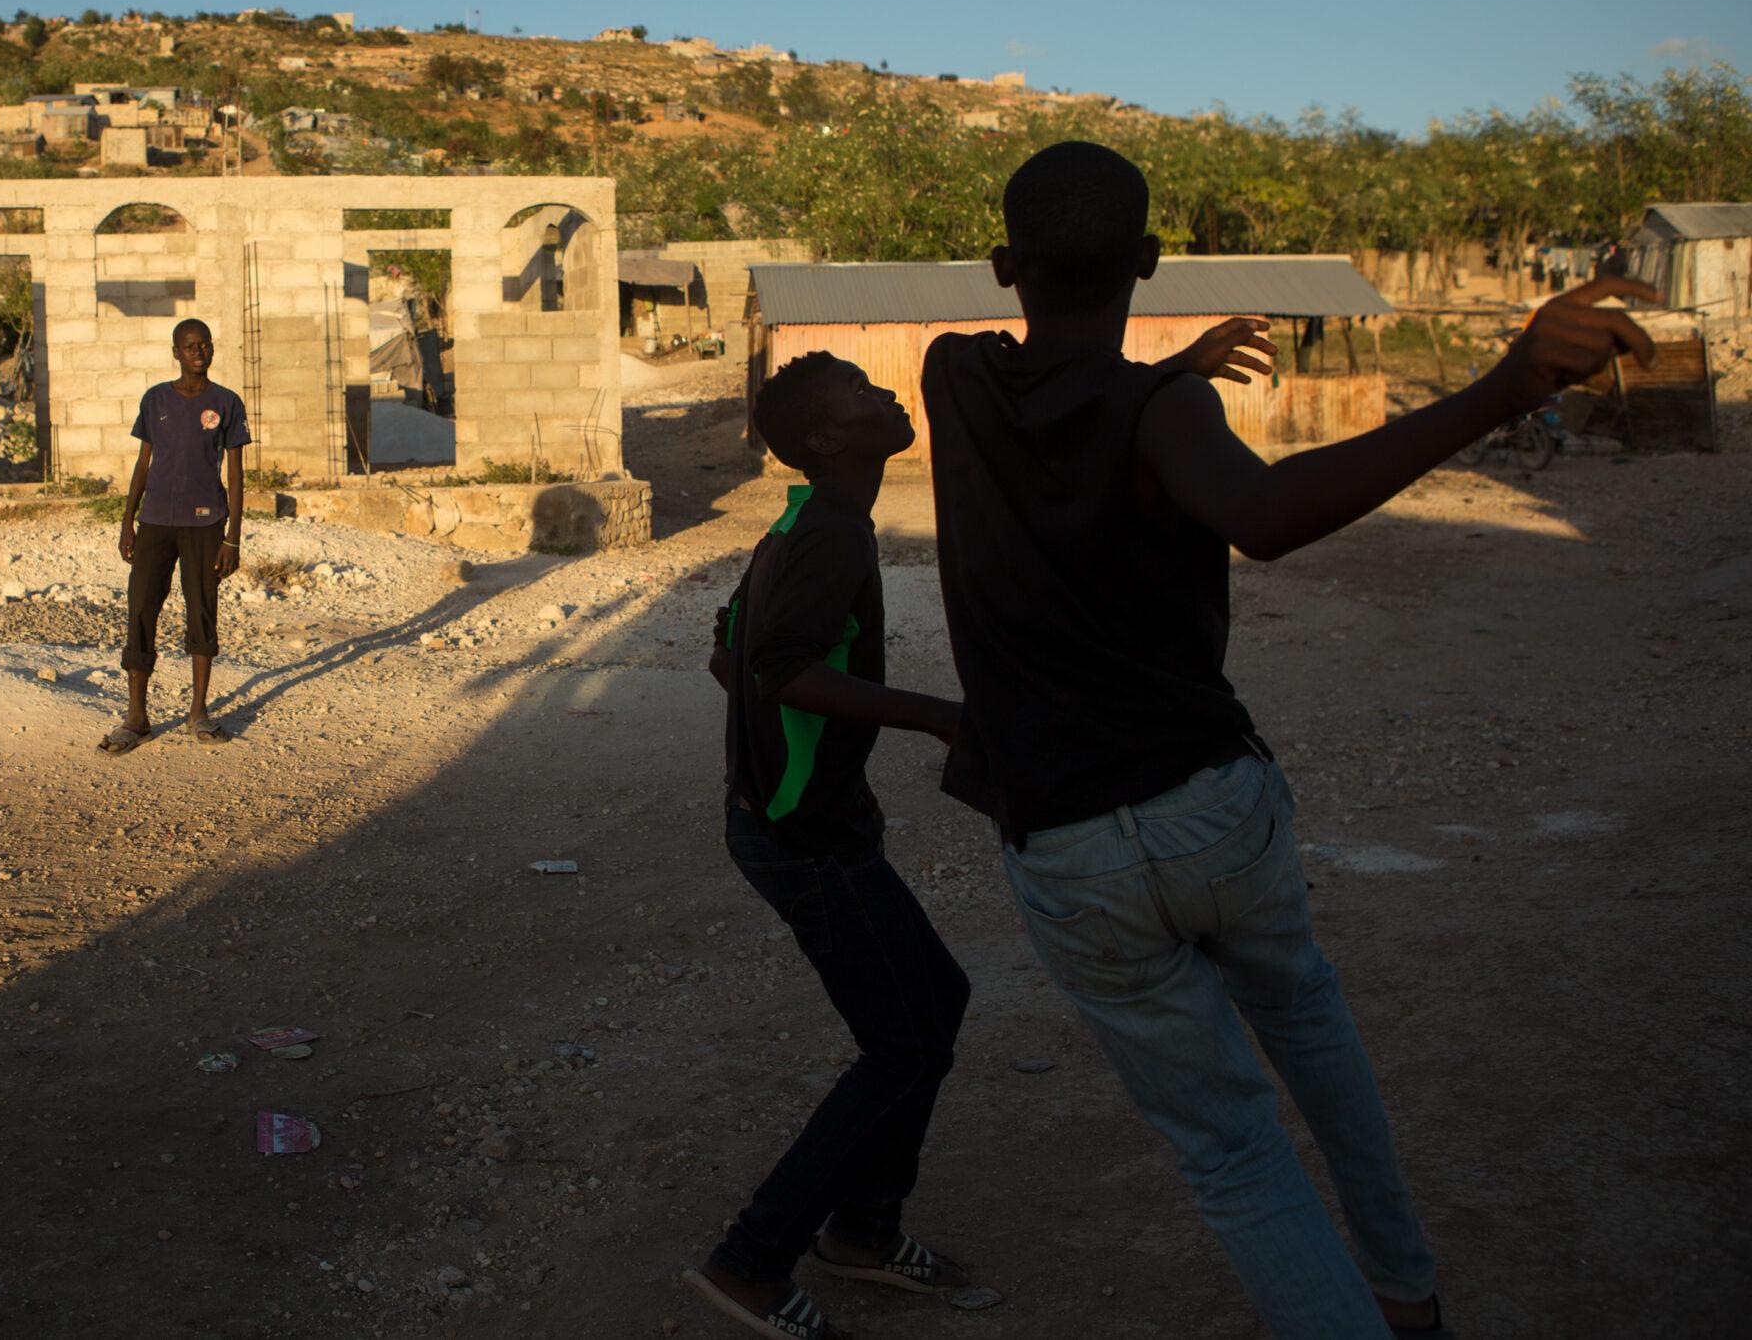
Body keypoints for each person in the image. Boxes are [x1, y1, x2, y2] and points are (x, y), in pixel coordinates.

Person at [919, 140, 1658, 1340]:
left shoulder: (955, 377)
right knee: (1310, 1031)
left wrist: (1169, 382)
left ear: (1002, 265)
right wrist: (1502, 388)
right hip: (1213, 811)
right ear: (1150, 263)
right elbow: (1256, 513)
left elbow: (1067, 396)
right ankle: (1406, 1294)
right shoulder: (1165, 411)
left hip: (1069, 845)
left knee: (1233, 1158)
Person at [681, 350, 971, 1340]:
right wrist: (938, 718)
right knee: (907, 1038)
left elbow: (729, 652)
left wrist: (783, 751)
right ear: (829, 440)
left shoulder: (809, 524)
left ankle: (864, 1232)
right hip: (804, 836)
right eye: (858, 390)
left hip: (793, 819)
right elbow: (771, 666)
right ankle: (753, 1260)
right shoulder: (829, 539)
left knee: (928, 1007)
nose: (883, 392)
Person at [101, 317, 249, 753]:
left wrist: (233, 538)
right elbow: (143, 463)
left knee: (202, 610)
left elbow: (237, 477)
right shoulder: (155, 400)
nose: (198, 351)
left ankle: (198, 712)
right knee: (141, 609)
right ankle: (137, 718)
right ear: (176, 352)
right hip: (155, 523)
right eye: (189, 346)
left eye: (204, 345)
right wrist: (128, 521)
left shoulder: (227, 402)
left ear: (211, 351)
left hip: (206, 524)